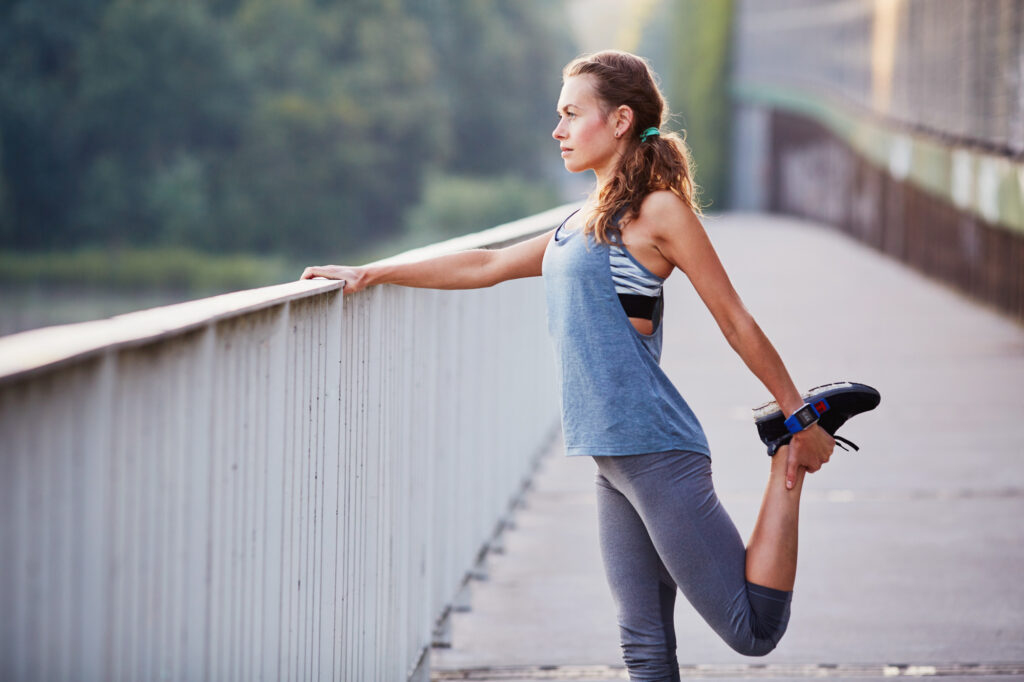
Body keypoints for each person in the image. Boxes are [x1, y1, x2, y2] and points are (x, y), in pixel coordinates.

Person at [302, 50, 877, 682]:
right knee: (644, 648)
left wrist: (796, 410)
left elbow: (733, 318)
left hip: (657, 451)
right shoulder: (579, 221)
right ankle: (790, 439)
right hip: (611, 459)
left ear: (622, 119)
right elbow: (486, 266)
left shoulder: (659, 212)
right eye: (559, 116)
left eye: (573, 115)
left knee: (752, 631)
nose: (558, 130)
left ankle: (786, 455)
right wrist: (371, 271)